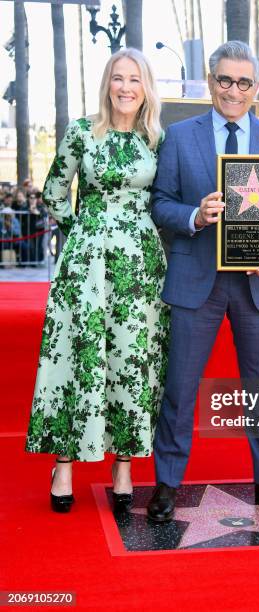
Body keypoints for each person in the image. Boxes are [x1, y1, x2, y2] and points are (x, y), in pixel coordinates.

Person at [147, 41, 259, 523]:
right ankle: (167, 481)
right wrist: (196, 215)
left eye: (244, 82)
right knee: (180, 386)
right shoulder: (179, 137)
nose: (234, 90)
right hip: (195, 278)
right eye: (225, 80)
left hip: (256, 284)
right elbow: (160, 204)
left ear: (256, 88)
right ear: (210, 81)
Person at [25, 48, 169, 513]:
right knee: (77, 354)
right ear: (107, 84)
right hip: (86, 264)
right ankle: (64, 463)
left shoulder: (157, 138)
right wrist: (81, 233)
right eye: (118, 78)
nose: (126, 87)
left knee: (132, 356)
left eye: (135, 79)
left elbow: (165, 199)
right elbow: (53, 191)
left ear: (146, 87)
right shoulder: (83, 132)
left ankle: (123, 464)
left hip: (141, 268)